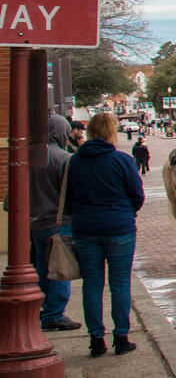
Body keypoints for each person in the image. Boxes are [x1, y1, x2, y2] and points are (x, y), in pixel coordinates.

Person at [65, 112, 144, 357]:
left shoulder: (75, 161)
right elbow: (137, 195)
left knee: (92, 285)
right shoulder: (121, 160)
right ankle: (121, 336)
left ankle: (96, 339)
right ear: (111, 132)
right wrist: (126, 211)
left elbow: (69, 198)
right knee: (119, 284)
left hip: (86, 228)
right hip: (119, 227)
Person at [30, 114, 81, 332]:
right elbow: (74, 193)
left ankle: (44, 309)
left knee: (42, 268)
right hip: (59, 222)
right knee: (60, 268)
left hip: (34, 224)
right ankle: (54, 314)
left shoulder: (28, 157)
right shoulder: (64, 158)